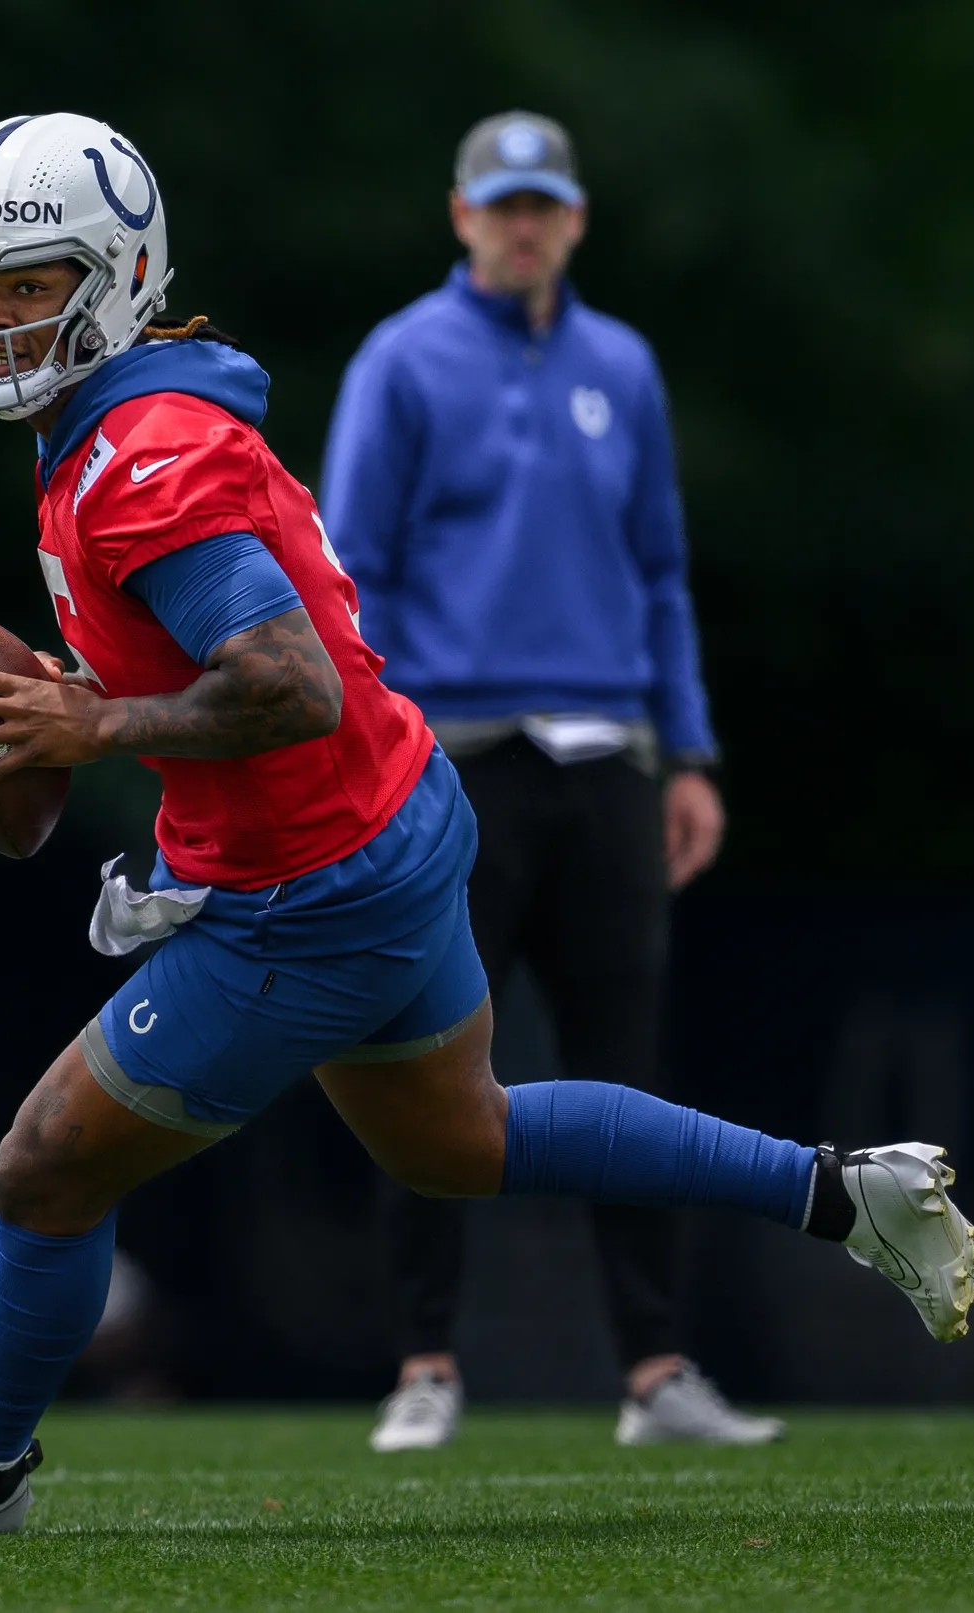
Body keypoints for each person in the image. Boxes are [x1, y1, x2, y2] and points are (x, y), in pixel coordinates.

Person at [0, 112, 974, 1539]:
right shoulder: (118, 425)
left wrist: (90, 726)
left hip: (306, 891)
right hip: (396, 827)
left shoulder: (137, 456)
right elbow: (250, 649)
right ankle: (842, 1193)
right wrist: (93, 689)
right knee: (462, 1137)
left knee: (45, 1164)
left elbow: (287, 680)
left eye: (26, 282)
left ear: (116, 273)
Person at [321, 110, 770, 1452]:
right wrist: (376, 754)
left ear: (573, 219)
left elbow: (661, 575)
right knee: (424, 1070)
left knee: (622, 1068)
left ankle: (657, 1370)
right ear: (460, 215)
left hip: (607, 761)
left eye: (546, 205)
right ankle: (424, 1362)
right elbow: (353, 577)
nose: (525, 224)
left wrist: (686, 752)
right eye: (502, 203)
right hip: (452, 759)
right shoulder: (403, 360)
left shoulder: (621, 366)